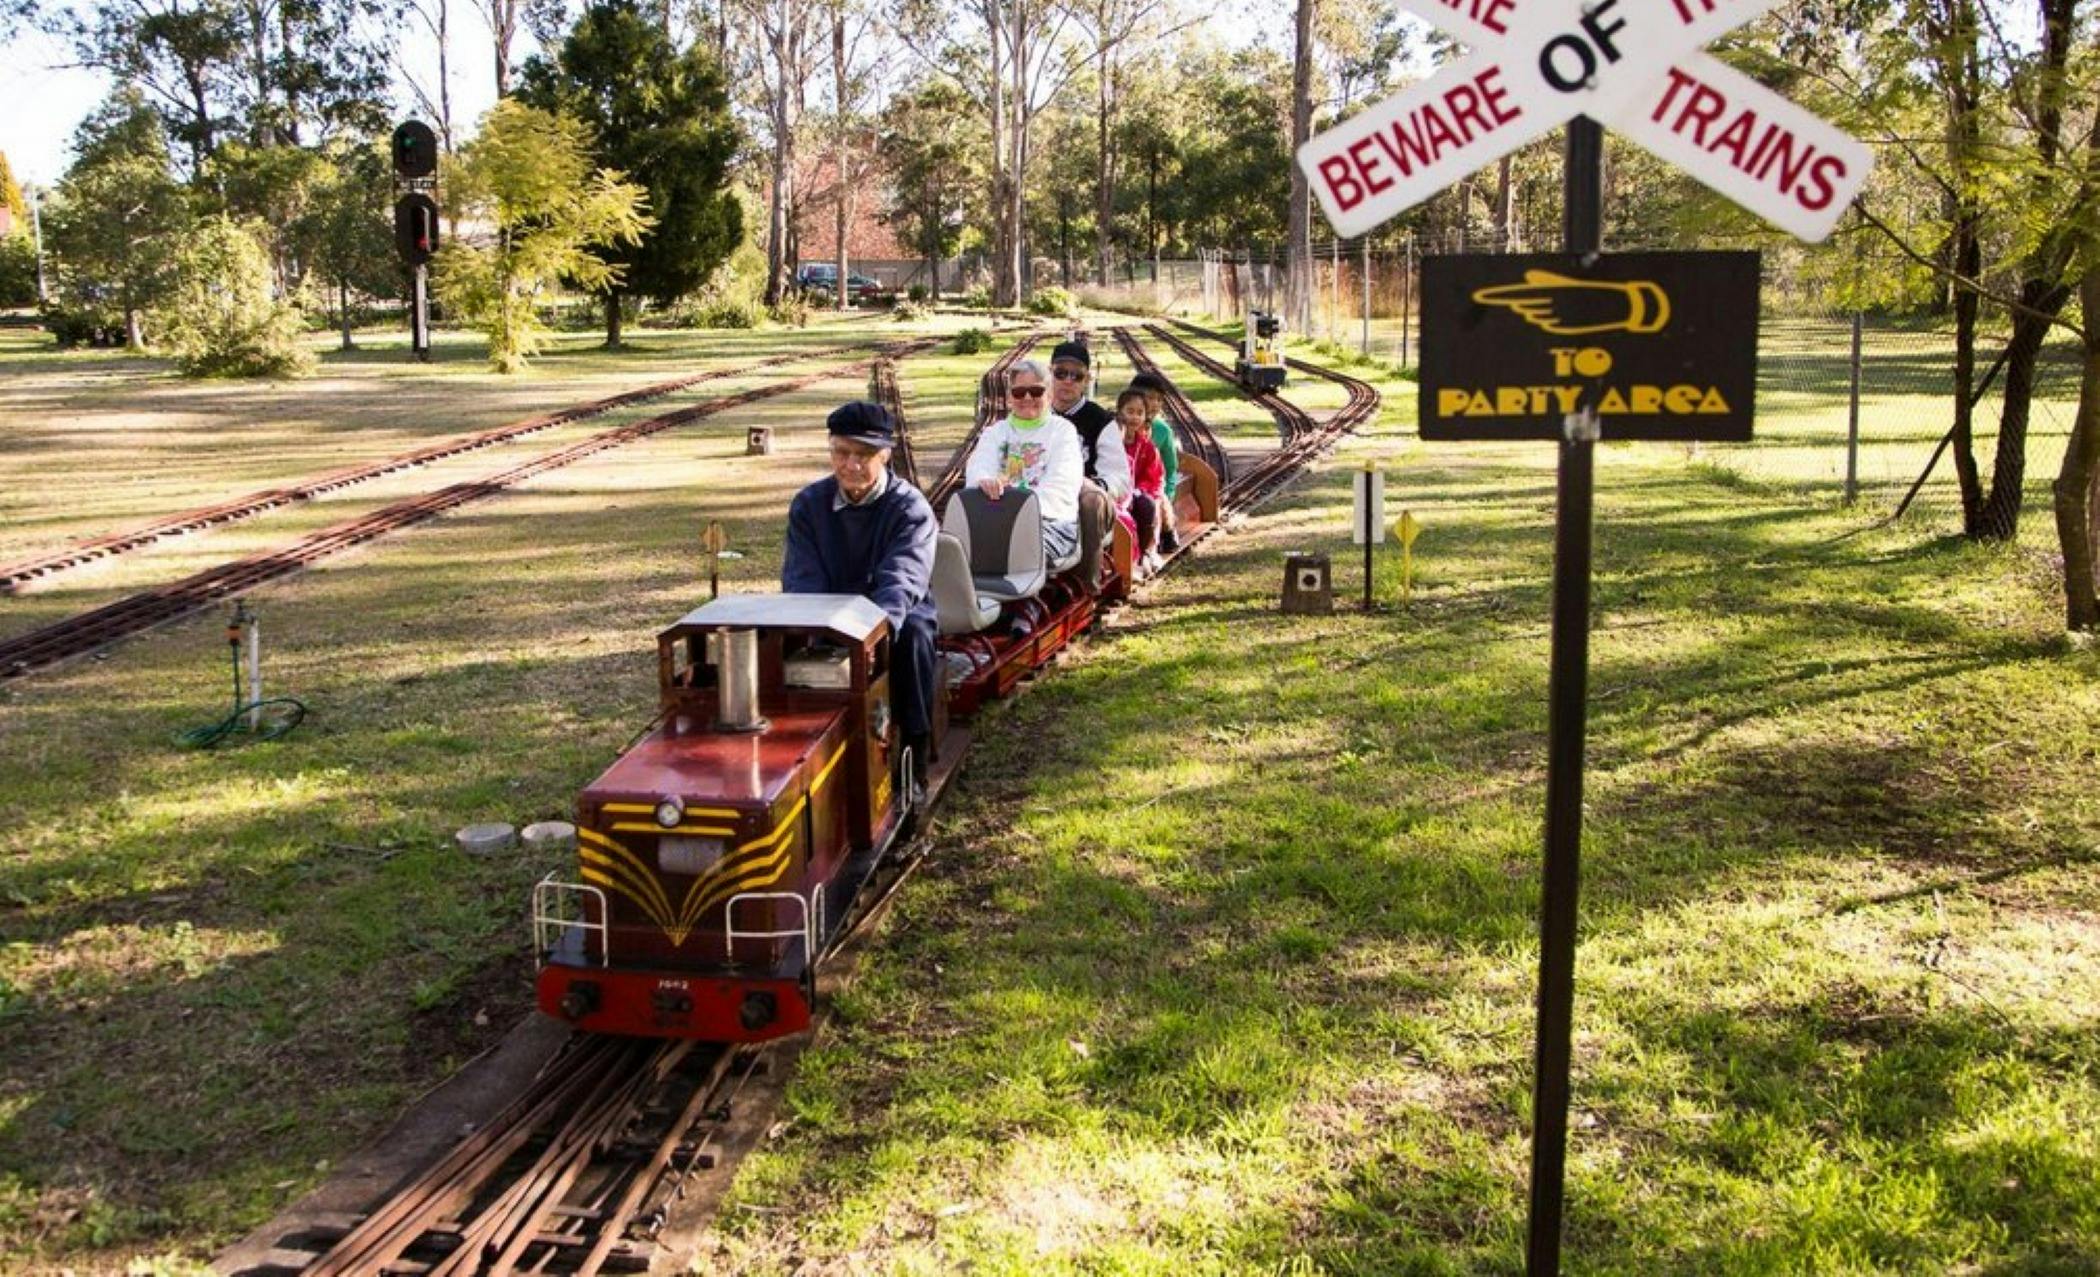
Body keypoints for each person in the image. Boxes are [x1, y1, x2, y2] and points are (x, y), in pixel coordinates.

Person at [782, 401, 939, 782]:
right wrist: (817, 633)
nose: (851, 464)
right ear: (830, 450)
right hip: (828, 612)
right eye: (842, 452)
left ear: (885, 454)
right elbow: (802, 580)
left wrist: (869, 639)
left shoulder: (910, 509)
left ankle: (913, 752)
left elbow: (902, 581)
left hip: (890, 615)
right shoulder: (808, 505)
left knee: (915, 637)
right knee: (782, 642)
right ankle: (795, 746)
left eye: (864, 455)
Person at [963, 357, 1085, 572]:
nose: (1027, 397)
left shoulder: (1063, 431)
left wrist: (1017, 508)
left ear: (1049, 394)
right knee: (957, 550)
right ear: (1010, 397)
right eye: (1019, 392)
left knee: (1013, 548)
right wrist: (985, 481)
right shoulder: (995, 432)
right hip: (996, 521)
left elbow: (1061, 485)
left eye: (1036, 391)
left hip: (1050, 523)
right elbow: (979, 466)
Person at [1047, 339, 1131, 592]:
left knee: (1090, 502)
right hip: (1044, 491)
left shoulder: (1101, 421)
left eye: (1076, 375)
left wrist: (1093, 485)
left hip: (1084, 494)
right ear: (1049, 375)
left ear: (1086, 381)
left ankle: (1086, 586)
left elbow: (1120, 477)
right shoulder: (1036, 414)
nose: (1068, 381)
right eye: (1061, 373)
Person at [1127, 371, 1182, 550]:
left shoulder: (1162, 431)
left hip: (1152, 485)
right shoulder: (1121, 425)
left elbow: (1170, 468)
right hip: (1126, 484)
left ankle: (1165, 536)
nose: (1155, 404)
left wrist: (1167, 493)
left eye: (1159, 399)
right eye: (1150, 398)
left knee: (1157, 504)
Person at [1115, 386, 1166, 573]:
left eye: (1139, 413)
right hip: (1116, 491)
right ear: (1120, 412)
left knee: (1146, 506)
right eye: (1129, 411)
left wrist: (1141, 490)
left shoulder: (1147, 447)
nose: (1134, 417)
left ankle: (1145, 551)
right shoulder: (1112, 441)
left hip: (1138, 491)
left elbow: (1153, 476)